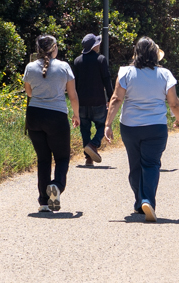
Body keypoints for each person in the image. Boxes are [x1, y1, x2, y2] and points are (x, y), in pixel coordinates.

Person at [106, 36, 179, 221]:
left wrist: (108, 124)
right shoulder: (165, 74)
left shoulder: (125, 72)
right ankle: (147, 200)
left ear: (136, 53)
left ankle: (140, 201)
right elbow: (174, 103)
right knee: (151, 164)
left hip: (130, 127)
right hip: (156, 127)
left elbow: (116, 99)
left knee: (135, 164)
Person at [21, 34, 81, 211]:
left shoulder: (30, 67)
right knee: (62, 157)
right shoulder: (64, 67)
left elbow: (29, 93)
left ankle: (44, 202)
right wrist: (76, 115)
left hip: (35, 115)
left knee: (43, 159)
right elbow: (72, 95)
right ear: (54, 48)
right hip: (56, 116)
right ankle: (56, 185)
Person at [72, 33, 114, 164]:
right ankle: (94, 144)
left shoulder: (77, 61)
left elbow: (75, 83)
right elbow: (106, 80)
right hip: (98, 101)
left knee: (85, 129)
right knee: (102, 125)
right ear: (95, 46)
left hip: (82, 102)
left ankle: (88, 157)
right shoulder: (100, 59)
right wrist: (111, 98)